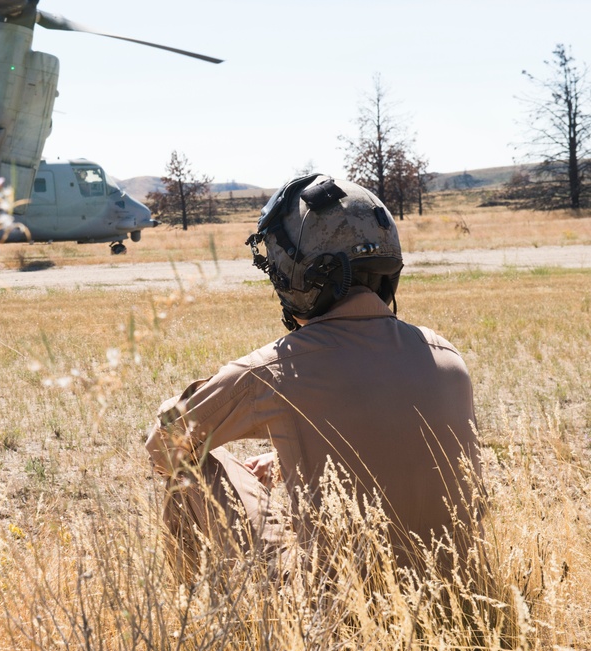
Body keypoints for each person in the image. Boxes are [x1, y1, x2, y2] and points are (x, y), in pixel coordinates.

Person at [145, 174, 485, 581]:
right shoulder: (446, 355)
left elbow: (163, 446)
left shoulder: (274, 370)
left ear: (299, 275)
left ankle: (196, 617)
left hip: (330, 619)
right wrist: (287, 458)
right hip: (457, 599)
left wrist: (190, 400)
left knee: (191, 462)